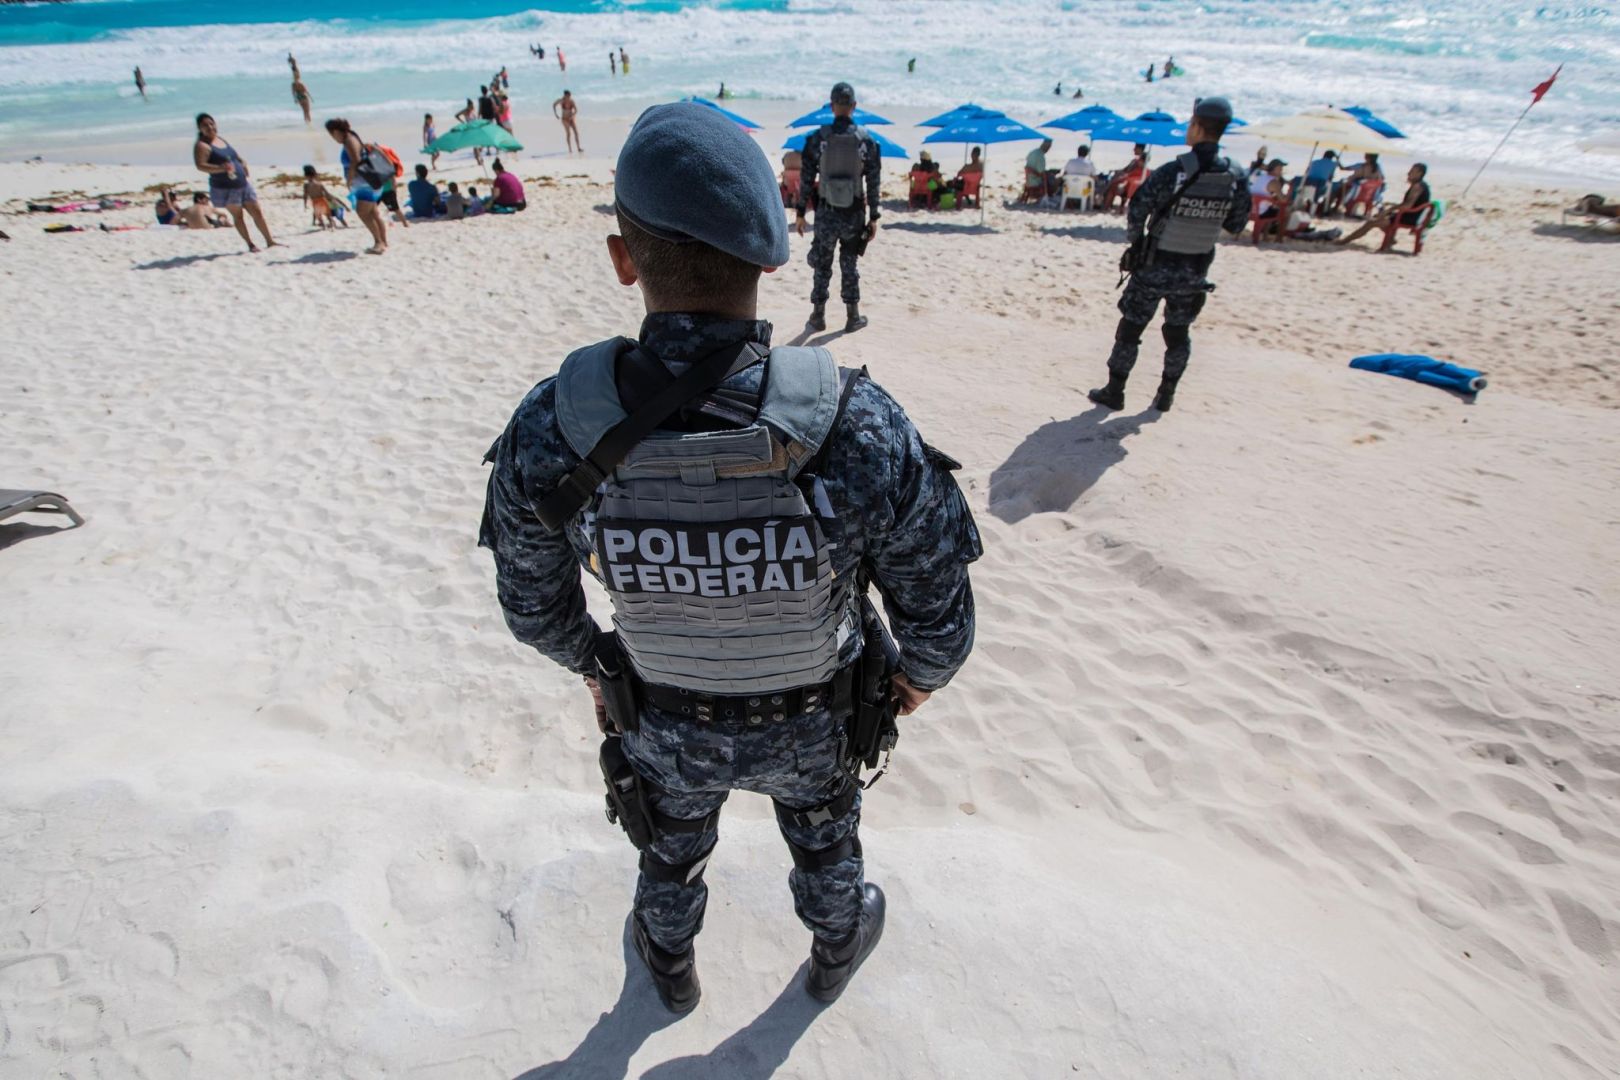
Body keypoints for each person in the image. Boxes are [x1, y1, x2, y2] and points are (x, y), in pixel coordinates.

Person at [479, 99, 980, 1013]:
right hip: (817, 722)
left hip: (664, 722)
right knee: (826, 841)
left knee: (669, 845)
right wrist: (913, 682)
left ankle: (669, 969)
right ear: (773, 257)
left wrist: (598, 666)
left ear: (624, 259)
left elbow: (531, 605)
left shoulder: (555, 424)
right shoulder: (855, 423)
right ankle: (835, 948)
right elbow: (939, 615)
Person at [1087, 96, 1250, 413]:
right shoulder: (1235, 177)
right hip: (1195, 269)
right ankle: (1165, 396)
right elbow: (1236, 222)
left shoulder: (1174, 171)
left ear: (1198, 126)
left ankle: (1115, 391)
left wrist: (1137, 245)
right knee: (1177, 334)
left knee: (1130, 330)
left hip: (1154, 266)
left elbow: (1138, 208)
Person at [795, 81, 882, 333]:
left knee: (822, 264)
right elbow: (874, 181)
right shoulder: (866, 141)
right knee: (849, 264)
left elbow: (806, 179)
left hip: (826, 212)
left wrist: (800, 212)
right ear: (853, 107)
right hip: (854, 213)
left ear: (832, 106)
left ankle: (817, 315)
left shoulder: (817, 139)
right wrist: (874, 216)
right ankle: (852, 316)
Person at [192, 113, 277, 251]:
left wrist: (242, 163)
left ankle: (270, 241)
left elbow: (235, 156)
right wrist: (221, 168)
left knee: (257, 212)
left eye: (211, 123)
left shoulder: (220, 139)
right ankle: (250, 244)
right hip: (226, 187)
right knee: (238, 216)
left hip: (242, 184)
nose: (209, 127)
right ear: (200, 129)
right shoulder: (202, 146)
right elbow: (200, 165)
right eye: (205, 125)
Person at [325, 117, 390, 255]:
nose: (332, 138)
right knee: (373, 213)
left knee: (362, 212)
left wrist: (349, 179)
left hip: (365, 183)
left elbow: (356, 160)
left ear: (336, 131)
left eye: (331, 134)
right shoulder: (352, 136)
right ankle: (383, 241)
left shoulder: (348, 140)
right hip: (369, 182)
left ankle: (379, 242)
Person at [1338, 163, 1431, 246]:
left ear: (1419, 173)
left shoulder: (1417, 186)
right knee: (1377, 217)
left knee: (1371, 223)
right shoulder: (1420, 185)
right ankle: (1390, 239)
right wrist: (1391, 207)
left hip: (1409, 218)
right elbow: (1412, 204)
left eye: (1412, 171)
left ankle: (1345, 241)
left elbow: (1408, 206)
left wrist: (1389, 210)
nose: (1408, 173)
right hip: (1410, 215)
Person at [1100, 144, 1149, 212]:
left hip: (1129, 185)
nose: (1133, 149)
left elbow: (1128, 173)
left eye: (1135, 148)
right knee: (1114, 184)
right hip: (1131, 185)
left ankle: (1106, 207)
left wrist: (1117, 178)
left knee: (1112, 186)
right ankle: (1108, 205)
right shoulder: (1144, 168)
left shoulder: (1137, 163)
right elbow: (1126, 171)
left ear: (1140, 149)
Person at [302, 165, 339, 229]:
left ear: (306, 176)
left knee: (319, 216)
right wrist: (331, 200)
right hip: (322, 200)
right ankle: (332, 225)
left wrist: (305, 204)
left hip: (315, 201)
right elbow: (326, 193)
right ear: (314, 175)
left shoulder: (306, 185)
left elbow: (305, 195)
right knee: (328, 215)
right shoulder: (319, 184)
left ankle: (323, 226)